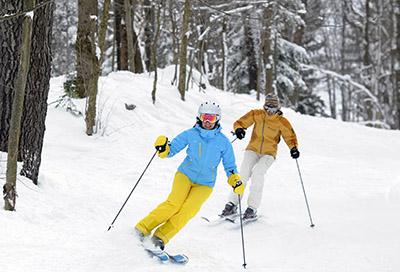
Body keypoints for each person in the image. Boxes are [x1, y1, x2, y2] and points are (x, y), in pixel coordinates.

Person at [135, 101, 245, 251]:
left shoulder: (224, 143)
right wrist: (163, 148)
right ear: (199, 117)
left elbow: (230, 167)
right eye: (204, 117)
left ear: (217, 119)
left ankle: (160, 237)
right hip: (185, 175)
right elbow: (171, 149)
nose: (207, 121)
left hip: (205, 184)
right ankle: (142, 228)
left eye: (211, 118)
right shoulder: (190, 134)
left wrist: (235, 181)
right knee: (174, 204)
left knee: (188, 211)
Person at [221, 93, 299, 221]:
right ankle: (232, 204)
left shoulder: (281, 121)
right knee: (243, 175)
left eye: (273, 108)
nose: (270, 111)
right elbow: (240, 122)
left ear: (278, 108)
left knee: (258, 173)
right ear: (264, 106)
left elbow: (290, 136)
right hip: (252, 149)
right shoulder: (256, 114)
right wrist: (239, 129)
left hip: (269, 153)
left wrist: (293, 148)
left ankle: (252, 208)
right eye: (268, 108)